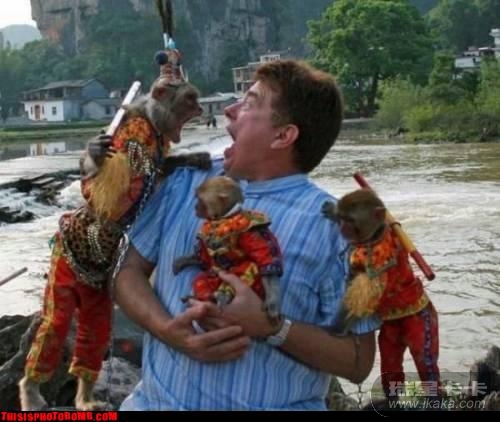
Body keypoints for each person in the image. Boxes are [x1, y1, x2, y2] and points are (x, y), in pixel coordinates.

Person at [113, 59, 380, 410]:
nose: (229, 110)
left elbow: (358, 361)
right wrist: (169, 331)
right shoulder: (185, 181)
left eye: (250, 102)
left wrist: (273, 327)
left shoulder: (336, 230)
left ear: (283, 136)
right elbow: (127, 274)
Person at [18, 43, 204, 411]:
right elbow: (104, 187)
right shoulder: (134, 130)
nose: (194, 115)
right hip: (77, 243)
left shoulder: (156, 138)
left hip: (109, 251)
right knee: (56, 320)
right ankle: (30, 387)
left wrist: (182, 163)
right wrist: (92, 158)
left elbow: (147, 176)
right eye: (186, 110)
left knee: (98, 324)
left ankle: (84, 396)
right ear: (161, 99)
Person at [172, 175, 283, 323]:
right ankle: (208, 303)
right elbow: (207, 253)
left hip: (243, 276)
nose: (197, 207)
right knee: (201, 281)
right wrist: (190, 260)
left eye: (202, 203)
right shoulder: (212, 225)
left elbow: (266, 256)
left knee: (248, 269)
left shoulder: (245, 225)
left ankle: (222, 300)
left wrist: (272, 295)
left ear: (222, 201)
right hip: (220, 273)